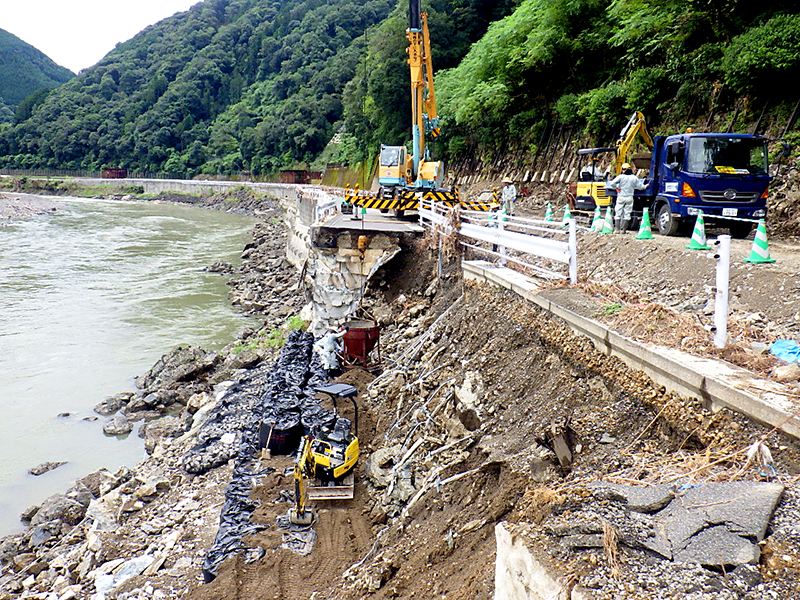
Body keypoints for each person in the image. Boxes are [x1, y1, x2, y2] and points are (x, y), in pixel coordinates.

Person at [607, 163, 646, 233]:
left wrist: (616, 188)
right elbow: (641, 187)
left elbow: (612, 183)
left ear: (623, 170)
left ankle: (617, 230)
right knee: (627, 214)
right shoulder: (634, 178)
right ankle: (623, 230)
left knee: (618, 213)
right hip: (630, 198)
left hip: (621, 197)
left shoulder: (621, 177)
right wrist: (646, 186)